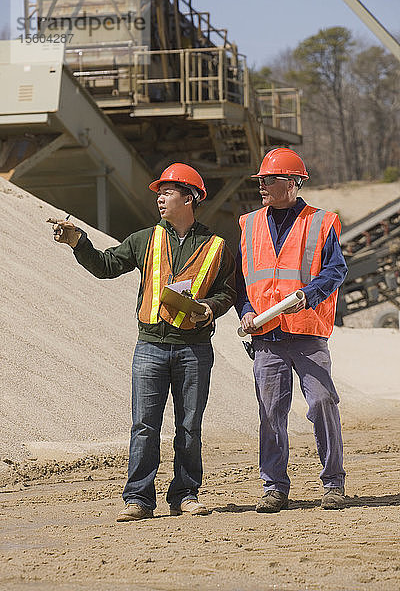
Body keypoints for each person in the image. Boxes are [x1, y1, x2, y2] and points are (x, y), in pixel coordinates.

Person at [49, 163, 236, 521]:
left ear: (191, 198)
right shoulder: (145, 239)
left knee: (189, 426)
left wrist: (209, 310)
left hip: (194, 348)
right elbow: (106, 266)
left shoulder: (217, 247)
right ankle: (138, 499)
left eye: (168, 192)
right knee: (144, 426)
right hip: (149, 347)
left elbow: (229, 292)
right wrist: (79, 242)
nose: (160, 198)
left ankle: (186, 495)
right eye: (159, 193)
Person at [235, 148, 348, 512]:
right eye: (261, 180)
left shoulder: (321, 222)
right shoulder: (249, 224)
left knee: (322, 402)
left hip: (307, 333)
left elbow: (335, 271)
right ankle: (274, 487)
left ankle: (333, 483)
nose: (262, 186)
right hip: (266, 337)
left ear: (293, 183)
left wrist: (309, 295)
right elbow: (242, 281)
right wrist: (247, 311)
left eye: (269, 179)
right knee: (270, 412)